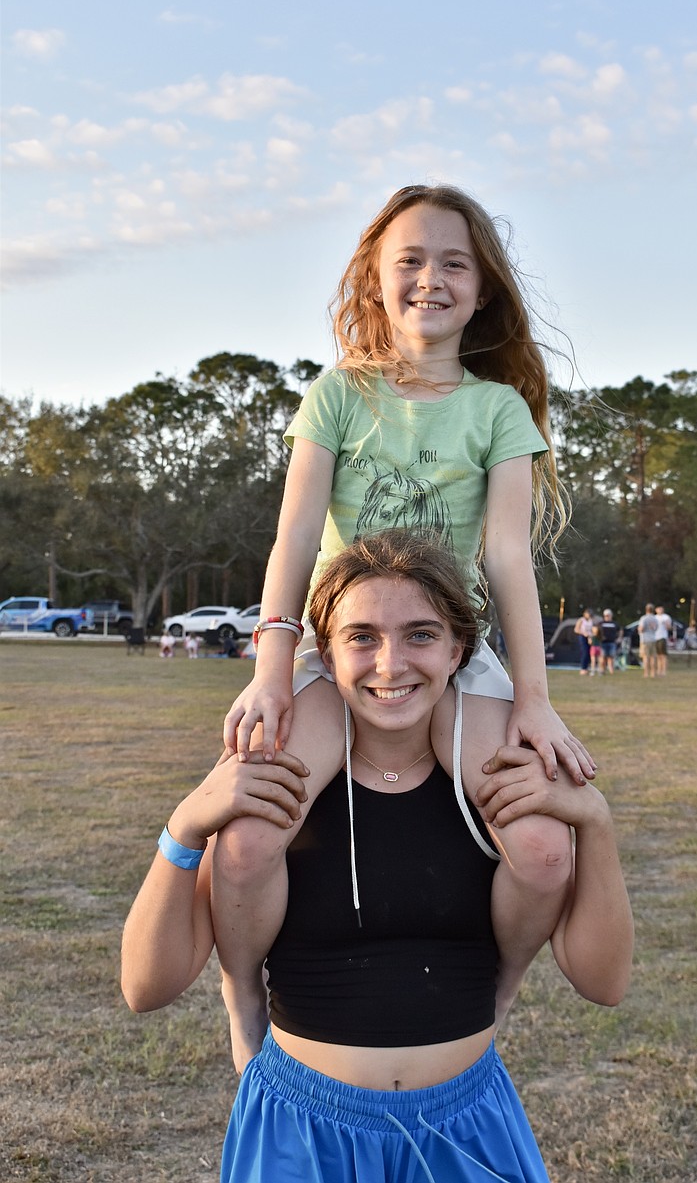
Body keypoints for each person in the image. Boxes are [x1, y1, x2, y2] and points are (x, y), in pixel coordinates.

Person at [213, 183, 597, 1070]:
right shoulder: (339, 394)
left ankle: (496, 996)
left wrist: (532, 698)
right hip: (338, 650)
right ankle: (242, 991)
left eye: (454, 263)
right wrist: (273, 669)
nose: (432, 278)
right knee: (248, 839)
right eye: (411, 261)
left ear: (482, 288)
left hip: (451, 655)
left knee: (544, 849)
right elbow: (294, 539)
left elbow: (509, 558)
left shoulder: (497, 411)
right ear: (376, 280)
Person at [121, 532, 634, 1182]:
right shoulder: (280, 793)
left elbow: (605, 984)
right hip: (302, 1132)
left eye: (421, 634)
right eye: (361, 637)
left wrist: (596, 823)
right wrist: (186, 825)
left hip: (466, 1128)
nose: (391, 665)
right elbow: (145, 987)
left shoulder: (498, 792)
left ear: (457, 650)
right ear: (326, 653)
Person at [637, 604, 658, 679]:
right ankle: (653, 673)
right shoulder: (655, 618)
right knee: (653, 657)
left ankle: (646, 673)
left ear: (646, 610)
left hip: (645, 640)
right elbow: (656, 628)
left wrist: (639, 629)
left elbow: (641, 628)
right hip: (653, 639)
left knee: (645, 657)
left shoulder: (644, 618)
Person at [598, 609, 620, 675]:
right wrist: (599, 637)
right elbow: (596, 631)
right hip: (603, 643)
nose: (607, 617)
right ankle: (602, 670)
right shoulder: (601, 623)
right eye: (606, 615)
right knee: (603, 657)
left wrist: (619, 638)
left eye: (608, 615)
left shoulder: (615, 623)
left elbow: (620, 631)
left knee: (611, 657)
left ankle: (611, 671)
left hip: (612, 642)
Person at [654, 604, 673, 676]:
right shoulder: (654, 617)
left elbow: (669, 627)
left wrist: (666, 624)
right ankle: (659, 670)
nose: (660, 610)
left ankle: (664, 670)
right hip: (655, 637)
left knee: (663, 655)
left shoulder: (666, 617)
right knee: (658, 655)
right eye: (658, 609)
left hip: (662, 637)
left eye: (661, 608)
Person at [575, 608, 594, 675]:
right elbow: (576, 630)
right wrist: (583, 633)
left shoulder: (591, 620)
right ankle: (583, 668)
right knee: (584, 652)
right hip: (582, 637)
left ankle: (586, 668)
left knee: (589, 653)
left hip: (589, 637)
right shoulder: (581, 620)